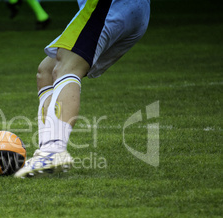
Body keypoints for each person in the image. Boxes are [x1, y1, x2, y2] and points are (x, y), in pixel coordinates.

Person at [14, 0, 151, 178]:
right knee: (46, 72)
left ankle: (53, 150)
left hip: (110, 5)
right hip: (128, 9)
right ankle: (46, 152)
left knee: (67, 67)